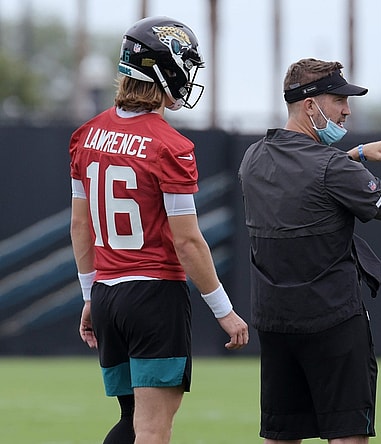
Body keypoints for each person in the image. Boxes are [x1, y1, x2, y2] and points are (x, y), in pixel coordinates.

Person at [238, 57, 381, 443]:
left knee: (282, 436)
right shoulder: (330, 167)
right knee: (347, 435)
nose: (347, 109)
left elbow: (302, 174)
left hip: (275, 323)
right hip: (332, 322)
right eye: (338, 99)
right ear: (310, 104)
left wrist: (356, 154)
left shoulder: (254, 156)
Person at [70, 16, 249, 444]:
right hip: (153, 296)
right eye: (184, 65)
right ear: (163, 68)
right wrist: (225, 311)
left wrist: (89, 294)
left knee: (130, 419)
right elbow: (187, 241)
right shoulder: (170, 145)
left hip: (109, 294)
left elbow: (81, 226)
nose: (187, 76)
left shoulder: (86, 135)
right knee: (152, 428)